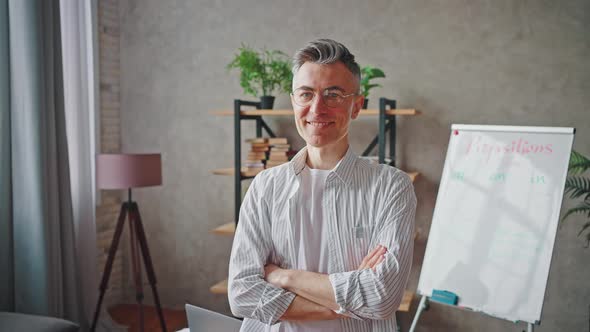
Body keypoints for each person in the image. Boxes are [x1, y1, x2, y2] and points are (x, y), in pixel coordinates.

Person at [228, 38, 416, 332]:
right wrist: (349, 303)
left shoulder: (392, 187)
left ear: (356, 106)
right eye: (306, 94)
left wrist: (283, 277)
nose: (317, 109)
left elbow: (382, 297)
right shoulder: (265, 186)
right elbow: (242, 294)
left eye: (333, 95)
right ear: (294, 102)